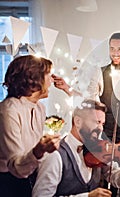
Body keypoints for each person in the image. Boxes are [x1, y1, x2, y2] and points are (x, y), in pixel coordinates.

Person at [32, 99, 120, 197]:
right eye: (96, 122)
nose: (101, 128)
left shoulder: (99, 150)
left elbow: (116, 179)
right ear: (78, 122)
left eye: (102, 124)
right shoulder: (55, 155)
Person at [53, 31, 120, 143]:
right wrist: (67, 88)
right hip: (105, 136)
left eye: (119, 49)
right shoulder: (100, 72)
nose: (115, 53)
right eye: (112, 49)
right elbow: (88, 100)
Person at [0, 55, 61, 197]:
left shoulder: (40, 108)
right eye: (48, 76)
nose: (52, 81)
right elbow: (16, 168)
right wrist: (38, 151)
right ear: (33, 79)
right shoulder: (8, 111)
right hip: (7, 184)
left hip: (29, 178)